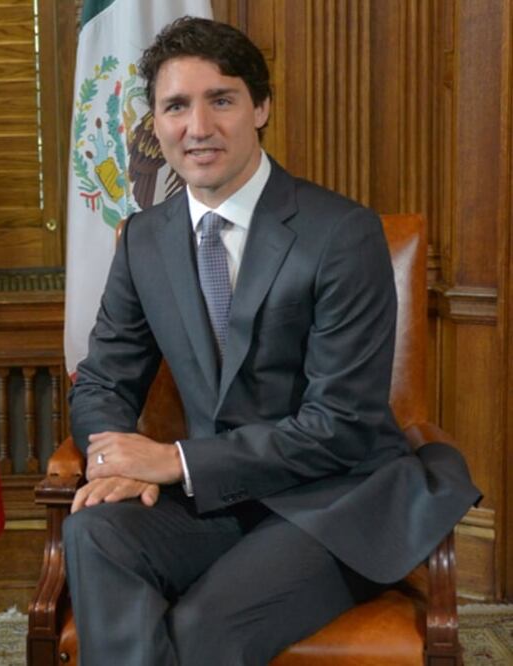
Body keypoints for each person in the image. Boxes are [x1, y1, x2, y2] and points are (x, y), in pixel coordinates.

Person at [65, 17, 479, 665]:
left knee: (204, 628)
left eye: (220, 100)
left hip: (333, 497)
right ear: (155, 123)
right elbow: (102, 381)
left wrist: (173, 461)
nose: (197, 127)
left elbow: (339, 424)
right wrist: (113, 458)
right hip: (212, 501)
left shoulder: (341, 233)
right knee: (93, 532)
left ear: (260, 107)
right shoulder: (144, 238)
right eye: (175, 106)